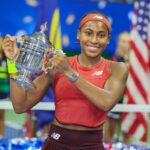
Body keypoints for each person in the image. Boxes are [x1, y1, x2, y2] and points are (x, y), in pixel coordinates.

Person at [2, 11, 129, 149]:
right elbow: (21, 105)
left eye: (101, 35)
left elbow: (106, 103)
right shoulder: (57, 66)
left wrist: (69, 72)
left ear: (108, 39)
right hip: (56, 142)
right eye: (88, 33)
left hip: (92, 145)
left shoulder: (117, 68)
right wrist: (12, 62)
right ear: (78, 34)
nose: (94, 40)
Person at [103, 32, 130, 143]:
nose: (124, 44)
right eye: (122, 41)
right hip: (115, 99)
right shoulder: (112, 58)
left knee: (127, 133)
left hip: (129, 99)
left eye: (127, 42)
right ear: (118, 42)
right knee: (109, 133)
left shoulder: (137, 61)